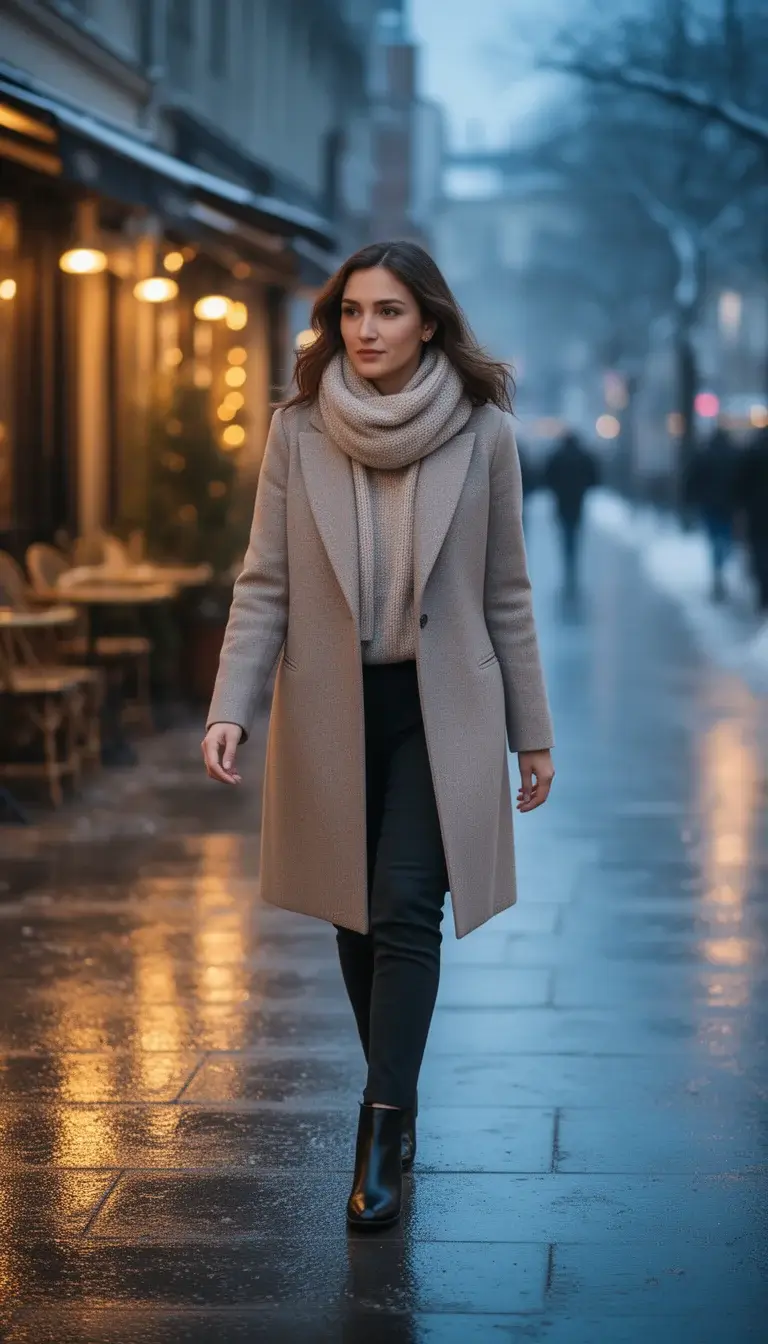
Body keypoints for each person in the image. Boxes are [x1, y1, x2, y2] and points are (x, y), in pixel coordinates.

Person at [201, 241, 554, 1230]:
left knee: (404, 905)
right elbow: (263, 580)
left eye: (389, 312)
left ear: (428, 322)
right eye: (352, 312)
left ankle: (382, 1123)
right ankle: (394, 1098)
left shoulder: (483, 433)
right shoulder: (298, 431)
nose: (366, 331)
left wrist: (533, 730)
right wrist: (231, 703)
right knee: (354, 916)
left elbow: (506, 591)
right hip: (332, 709)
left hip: (443, 709)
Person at [684, 425, 737, 601]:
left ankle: (717, 570)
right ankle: (721, 565)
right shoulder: (733, 456)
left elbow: (693, 478)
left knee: (714, 539)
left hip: (709, 505)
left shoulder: (704, 454)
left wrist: (692, 499)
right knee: (725, 538)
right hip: (728, 505)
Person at [543, 429, 599, 598]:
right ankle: (572, 558)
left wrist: (556, 488)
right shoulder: (584, 456)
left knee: (565, 530)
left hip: (561, 500)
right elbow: (594, 477)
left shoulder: (557, 456)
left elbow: (547, 477)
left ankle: (567, 557)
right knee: (574, 529)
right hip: (577, 500)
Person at [734, 425, 768, 613]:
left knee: (760, 552)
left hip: (757, 512)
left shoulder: (753, 452)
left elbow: (741, 484)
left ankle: (764, 593)